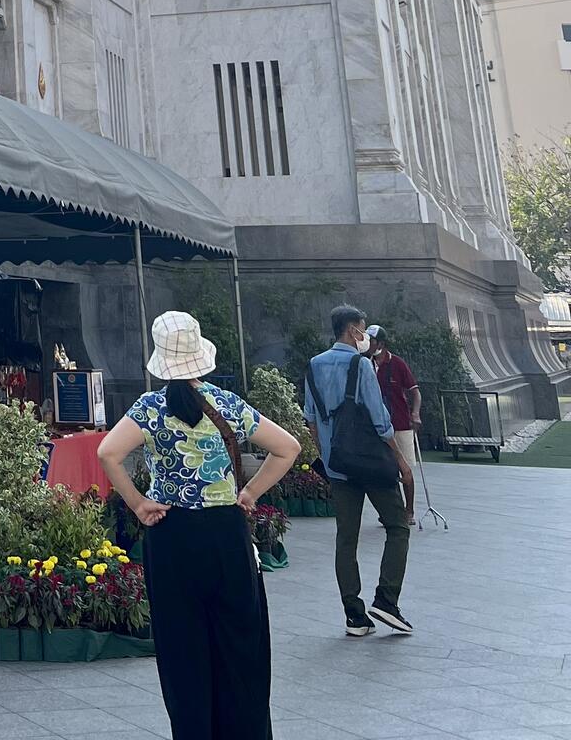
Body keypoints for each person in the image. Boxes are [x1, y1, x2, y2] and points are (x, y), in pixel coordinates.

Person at [98, 311, 297, 740]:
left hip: (171, 535)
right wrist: (249, 493)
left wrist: (138, 503)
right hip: (226, 534)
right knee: (241, 647)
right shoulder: (227, 404)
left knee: (182, 651)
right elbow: (288, 448)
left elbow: (108, 453)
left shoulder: (149, 408)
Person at [304, 305, 413, 637]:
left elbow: (311, 417)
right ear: (353, 330)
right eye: (363, 329)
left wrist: (327, 454)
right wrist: (399, 459)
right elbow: (380, 419)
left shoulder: (313, 365)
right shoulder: (361, 365)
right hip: (371, 461)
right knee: (397, 526)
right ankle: (386, 600)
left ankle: (355, 616)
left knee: (346, 539)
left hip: (338, 465)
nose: (365, 336)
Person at [368, 326, 422, 523]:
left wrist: (415, 413)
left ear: (381, 343)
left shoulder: (397, 363)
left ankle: (409, 511)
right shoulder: (364, 363)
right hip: (376, 426)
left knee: (405, 468)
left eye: (371, 340)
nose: (367, 343)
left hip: (400, 423)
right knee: (382, 470)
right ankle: (390, 511)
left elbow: (415, 391)